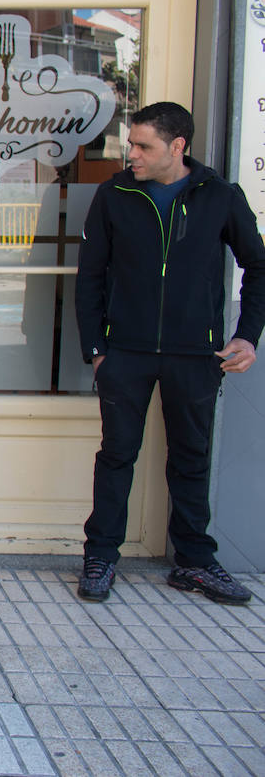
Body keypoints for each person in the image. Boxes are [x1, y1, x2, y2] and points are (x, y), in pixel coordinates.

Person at [75, 101, 265, 605]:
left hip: (196, 355)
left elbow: (259, 266)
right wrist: (97, 349)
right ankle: (101, 556)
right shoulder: (114, 194)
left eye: (143, 146)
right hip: (126, 353)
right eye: (130, 144)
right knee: (117, 455)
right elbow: (90, 276)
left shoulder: (220, 197)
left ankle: (195, 563)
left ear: (177, 147)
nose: (130, 154)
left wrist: (247, 336)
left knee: (191, 458)